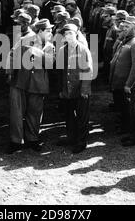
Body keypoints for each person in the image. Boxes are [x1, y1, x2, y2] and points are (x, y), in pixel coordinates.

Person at [7, 18, 55, 154]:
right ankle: (16, 141)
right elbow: (11, 56)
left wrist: (36, 51)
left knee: (35, 112)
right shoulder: (24, 40)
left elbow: (50, 64)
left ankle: (32, 139)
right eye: (48, 30)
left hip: (38, 84)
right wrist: (10, 74)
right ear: (40, 31)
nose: (51, 33)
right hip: (20, 81)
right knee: (17, 113)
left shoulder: (50, 46)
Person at [57, 24, 93, 153]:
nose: (68, 36)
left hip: (80, 89)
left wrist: (84, 90)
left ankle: (81, 142)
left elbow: (88, 70)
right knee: (69, 116)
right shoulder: (62, 50)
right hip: (68, 89)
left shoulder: (83, 49)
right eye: (66, 34)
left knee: (82, 117)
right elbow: (61, 72)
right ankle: (71, 137)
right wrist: (61, 90)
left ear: (76, 34)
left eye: (71, 33)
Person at [109, 16, 135, 146]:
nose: (123, 28)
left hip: (132, 85)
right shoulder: (126, 41)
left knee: (134, 112)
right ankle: (130, 133)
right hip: (124, 83)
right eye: (123, 26)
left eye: (127, 26)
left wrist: (128, 85)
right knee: (128, 111)